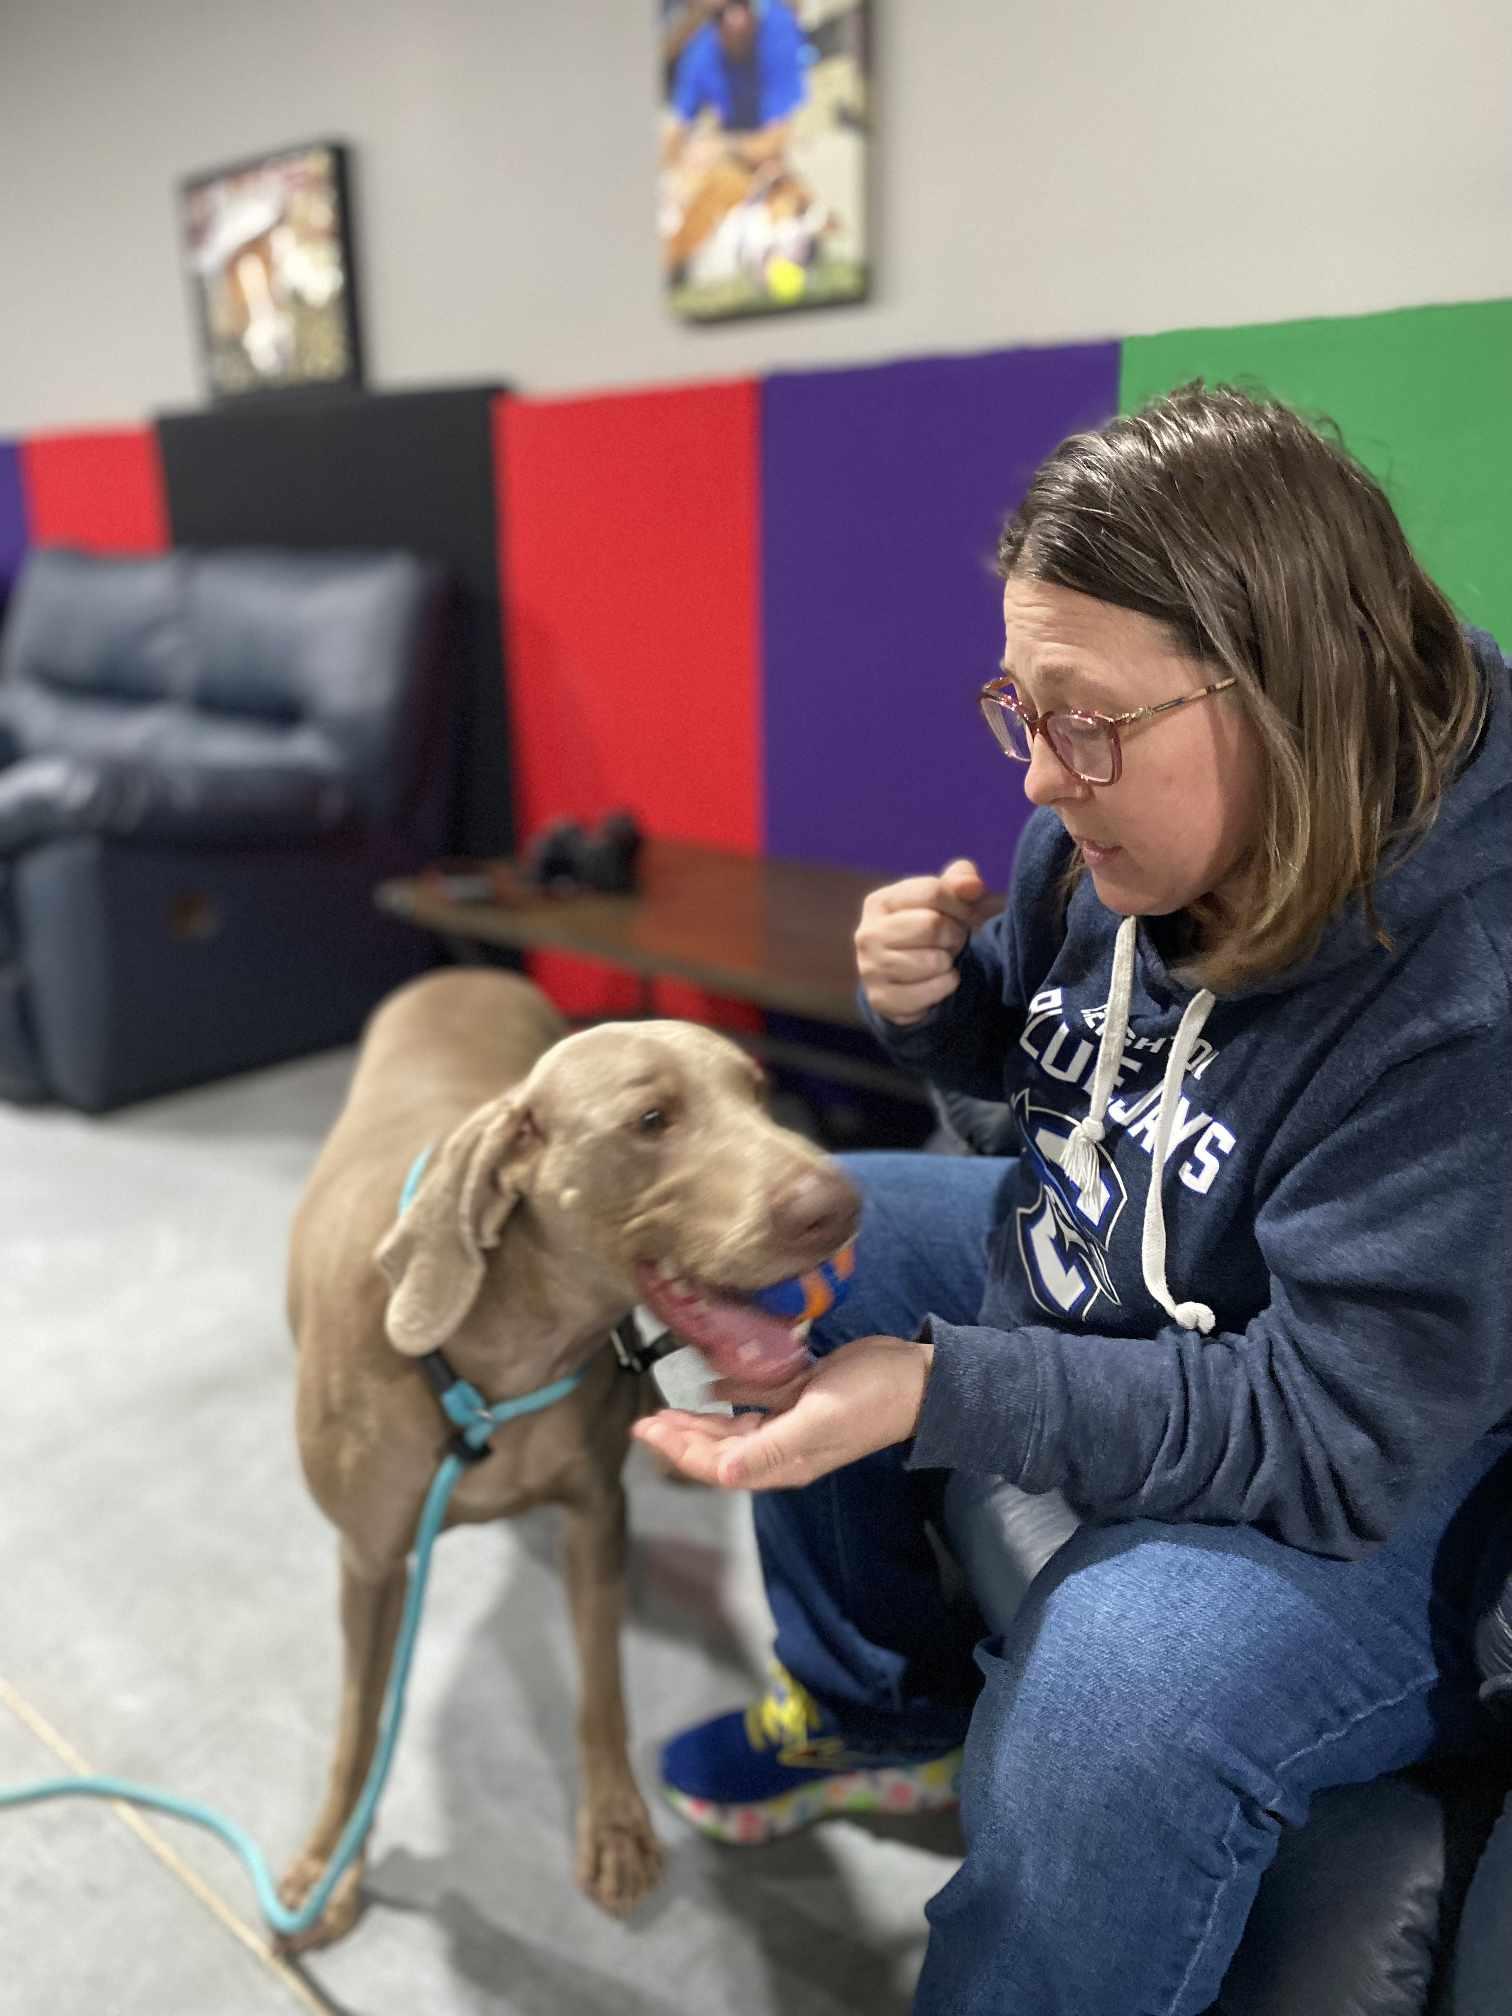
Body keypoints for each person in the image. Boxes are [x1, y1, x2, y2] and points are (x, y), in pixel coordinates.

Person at [634, 382, 1512, 2013]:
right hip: (1171, 1294)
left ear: (1292, 692)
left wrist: (948, 1391)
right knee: (823, 1226)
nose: (1039, 779)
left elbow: (1333, 1428)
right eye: (1019, 710)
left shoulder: (1469, 987)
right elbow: (1059, 1128)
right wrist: (948, 1013)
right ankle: (874, 1701)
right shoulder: (1114, 825)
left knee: (1119, 1702)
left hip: (1393, 1456)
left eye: (1085, 722)